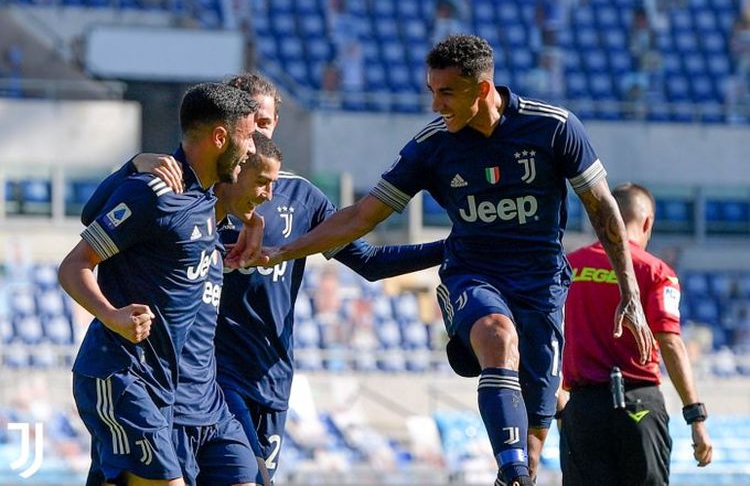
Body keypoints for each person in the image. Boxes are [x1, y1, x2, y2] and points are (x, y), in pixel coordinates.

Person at [257, 35, 655, 485]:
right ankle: (509, 468)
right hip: (472, 274)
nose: (435, 104)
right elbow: (363, 216)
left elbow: (603, 208)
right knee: (498, 336)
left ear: (482, 89)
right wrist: (283, 251)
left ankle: (518, 471)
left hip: (542, 284)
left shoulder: (554, 128)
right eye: (431, 91)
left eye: (446, 93)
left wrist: (630, 292)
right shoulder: (432, 146)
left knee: (536, 430)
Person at [82, 72, 445, 484]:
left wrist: (453, 247)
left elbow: (370, 261)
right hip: (198, 377)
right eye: (248, 124)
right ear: (228, 127)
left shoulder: (298, 197)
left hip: (269, 375)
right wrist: (132, 165)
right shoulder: (182, 184)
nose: (254, 136)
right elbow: (98, 226)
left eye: (264, 123)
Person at [59, 82, 258, 486]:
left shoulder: (204, 199)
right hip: (121, 376)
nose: (253, 148)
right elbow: (73, 265)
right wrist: (111, 315)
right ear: (221, 137)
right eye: (249, 135)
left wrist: (253, 221)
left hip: (172, 390)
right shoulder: (155, 193)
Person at [558, 183, 712, 485]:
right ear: (648, 222)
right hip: (638, 405)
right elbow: (669, 341)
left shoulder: (568, 268)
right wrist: (696, 416)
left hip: (583, 410)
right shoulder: (655, 271)